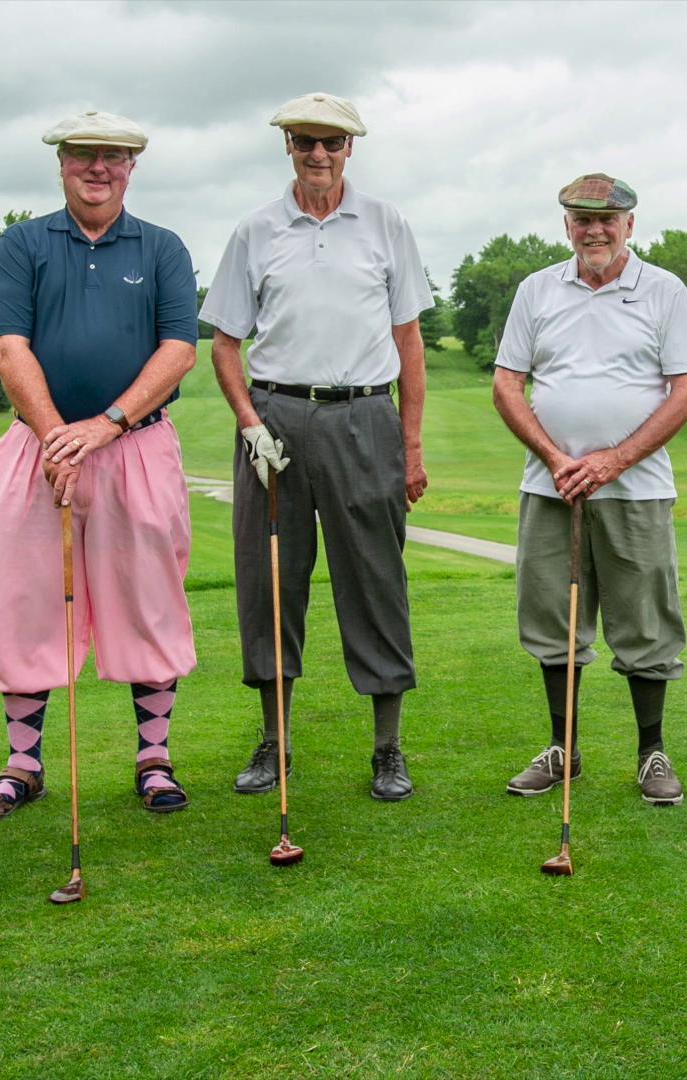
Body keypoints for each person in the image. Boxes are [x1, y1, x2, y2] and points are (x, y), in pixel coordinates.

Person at [0, 110, 201, 820]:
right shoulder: (22, 244)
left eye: (114, 156)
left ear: (133, 166)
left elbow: (179, 350)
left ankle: (154, 758)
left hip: (135, 444)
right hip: (39, 448)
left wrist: (103, 426)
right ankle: (22, 765)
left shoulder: (161, 248)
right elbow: (9, 346)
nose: (98, 167)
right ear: (60, 162)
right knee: (23, 596)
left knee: (148, 597)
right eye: (82, 155)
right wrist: (56, 436)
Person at [201, 92, 433, 801]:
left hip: (365, 417)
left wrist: (412, 447)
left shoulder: (386, 224)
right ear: (289, 147)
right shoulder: (256, 229)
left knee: (375, 581)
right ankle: (275, 743)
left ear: (350, 149)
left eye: (332, 142)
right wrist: (248, 422)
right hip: (275, 419)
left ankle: (387, 749)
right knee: (271, 580)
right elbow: (225, 343)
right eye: (306, 142)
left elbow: (409, 342)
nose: (319, 154)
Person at [491, 173, 687, 806]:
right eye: (581, 218)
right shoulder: (537, 291)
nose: (594, 229)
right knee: (554, 620)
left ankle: (651, 752)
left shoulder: (664, 291)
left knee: (646, 624)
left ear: (630, 225)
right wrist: (557, 456)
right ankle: (564, 750)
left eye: (607, 219)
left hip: (637, 489)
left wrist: (613, 459)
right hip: (550, 485)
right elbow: (507, 383)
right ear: (565, 225)